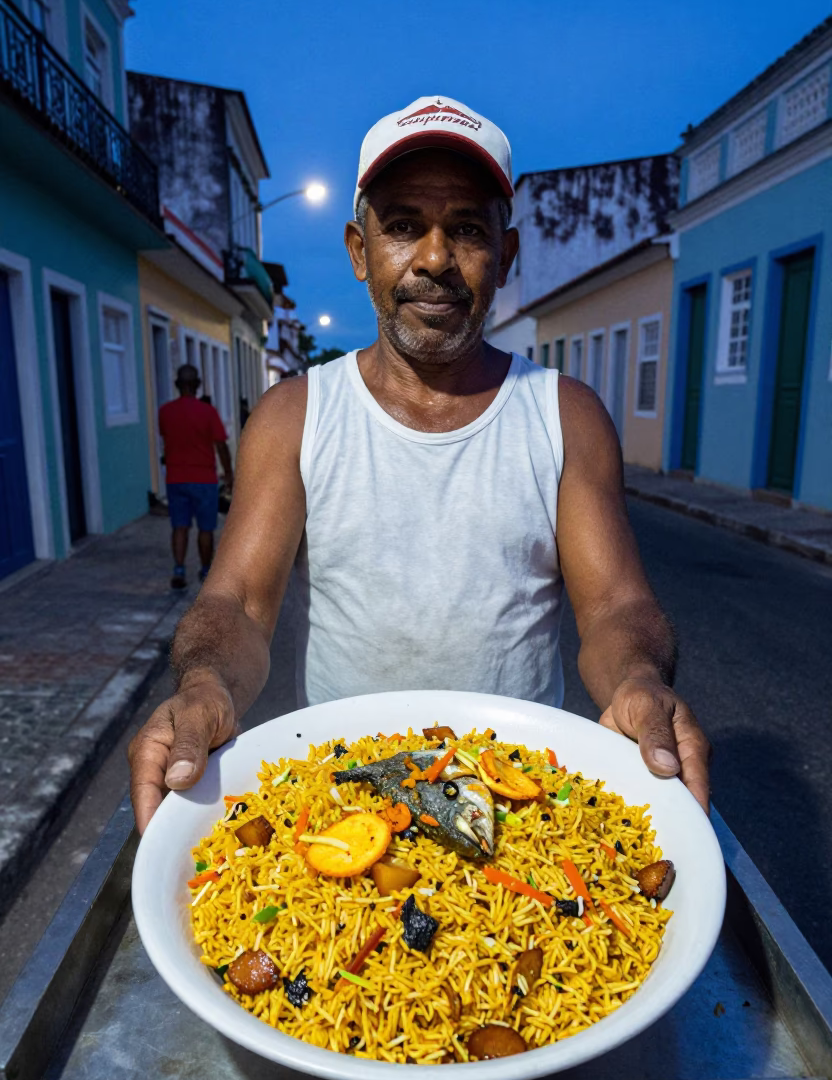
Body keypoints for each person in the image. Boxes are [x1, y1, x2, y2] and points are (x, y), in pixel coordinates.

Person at [130, 95, 710, 833]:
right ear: (359, 251)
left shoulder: (565, 416)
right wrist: (205, 683)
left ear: (505, 255)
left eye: (466, 229)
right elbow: (239, 603)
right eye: (403, 226)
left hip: (515, 800)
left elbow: (615, 608)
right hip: (348, 799)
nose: (435, 259)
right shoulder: (295, 415)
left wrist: (638, 679)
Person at [158, 363, 233, 590]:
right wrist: (229, 473)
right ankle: (206, 570)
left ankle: (179, 570)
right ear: (198, 385)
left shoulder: (165, 412)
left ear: (177, 385)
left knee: (179, 527)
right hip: (204, 479)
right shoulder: (208, 412)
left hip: (175, 478)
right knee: (205, 529)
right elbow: (221, 445)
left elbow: (167, 439)